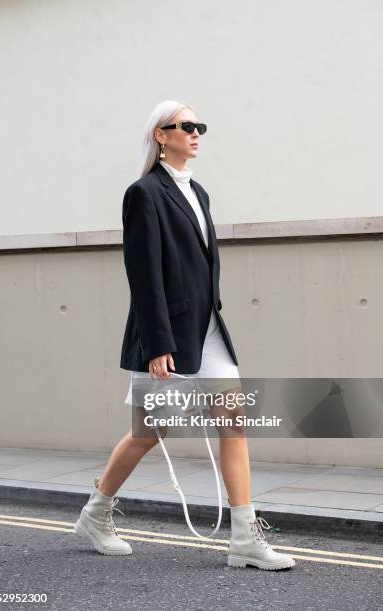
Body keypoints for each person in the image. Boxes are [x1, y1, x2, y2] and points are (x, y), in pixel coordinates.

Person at [74, 100, 295, 571]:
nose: (196, 133)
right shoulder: (144, 193)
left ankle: (243, 538)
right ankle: (95, 513)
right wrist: (157, 344)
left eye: (200, 127)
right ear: (161, 135)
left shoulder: (199, 191)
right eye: (185, 126)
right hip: (166, 334)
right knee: (149, 432)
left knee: (234, 423)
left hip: (208, 329)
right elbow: (143, 272)